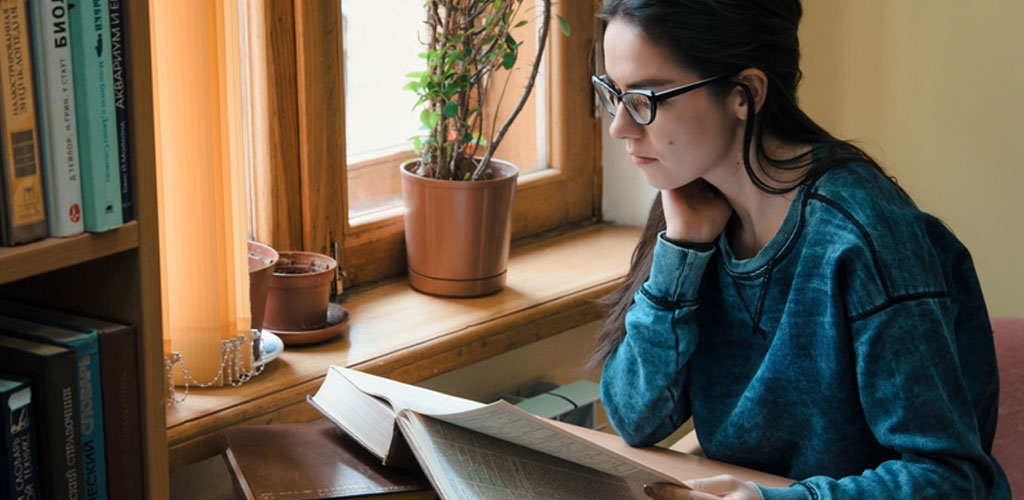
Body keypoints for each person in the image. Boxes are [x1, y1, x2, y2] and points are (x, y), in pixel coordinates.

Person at [590, 1, 1011, 499]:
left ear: (746, 93)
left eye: (647, 98)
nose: (620, 126)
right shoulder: (693, 207)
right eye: (613, 94)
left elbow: (951, 478)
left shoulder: (862, 237)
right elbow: (634, 417)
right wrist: (681, 252)